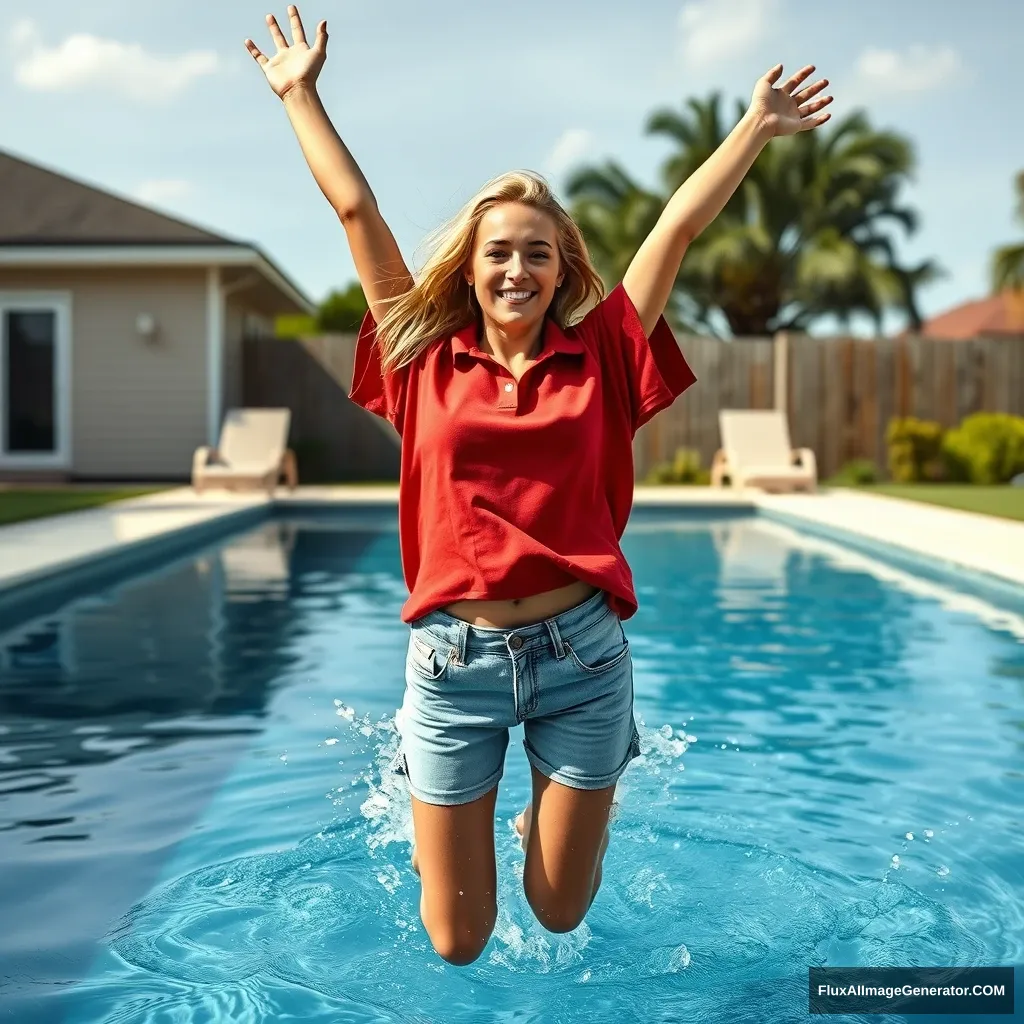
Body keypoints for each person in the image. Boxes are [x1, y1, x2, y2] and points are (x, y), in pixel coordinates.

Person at [245, 5, 832, 966]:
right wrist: (300, 94)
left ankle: (541, 833)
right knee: (457, 942)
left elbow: (674, 228)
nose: (518, 267)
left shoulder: (601, 355)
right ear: (471, 273)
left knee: (558, 914)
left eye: (538, 251)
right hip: (453, 666)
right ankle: (475, 837)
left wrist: (755, 127)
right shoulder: (419, 357)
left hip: (583, 661)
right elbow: (357, 210)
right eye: (499, 252)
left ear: (563, 272)